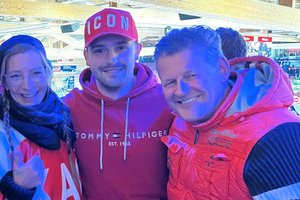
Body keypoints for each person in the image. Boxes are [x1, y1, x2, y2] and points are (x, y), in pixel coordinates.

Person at [154, 25, 300, 199]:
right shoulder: (181, 119)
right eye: (170, 82)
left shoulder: (277, 136)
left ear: (222, 68)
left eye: (191, 75)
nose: (181, 91)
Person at [64, 8, 174, 199]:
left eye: (121, 47)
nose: (111, 58)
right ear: (87, 57)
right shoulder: (68, 107)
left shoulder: (169, 101)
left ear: (137, 51)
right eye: (99, 50)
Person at [0, 35, 81, 200]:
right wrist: (18, 189)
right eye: (15, 76)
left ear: (47, 73)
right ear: (5, 82)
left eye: (36, 73)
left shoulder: (65, 114)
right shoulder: (3, 136)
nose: (27, 85)